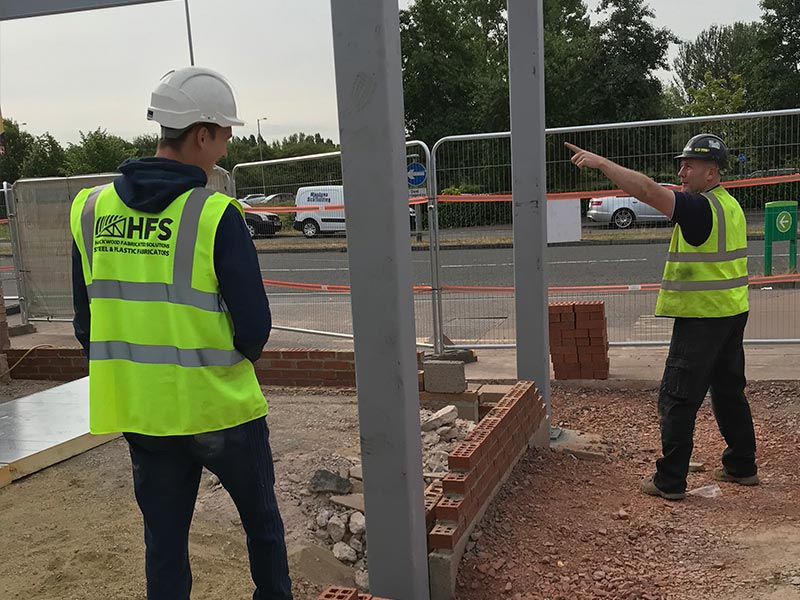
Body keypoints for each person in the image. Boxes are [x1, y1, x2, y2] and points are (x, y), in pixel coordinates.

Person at [70, 67, 293, 599]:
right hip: (222, 411)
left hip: (145, 415)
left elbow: (86, 323)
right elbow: (255, 330)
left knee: (164, 546)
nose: (227, 142)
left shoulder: (91, 209)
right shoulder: (214, 214)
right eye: (224, 133)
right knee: (262, 530)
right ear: (201, 134)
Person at [566, 134, 758, 501]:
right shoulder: (727, 204)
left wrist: (602, 164)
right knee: (729, 391)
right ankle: (742, 465)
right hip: (731, 312)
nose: (681, 172)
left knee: (677, 397)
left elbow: (649, 192)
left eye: (689, 166)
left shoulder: (700, 208)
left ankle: (670, 480)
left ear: (712, 173)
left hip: (702, 318)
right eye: (681, 164)